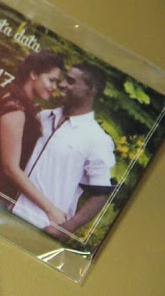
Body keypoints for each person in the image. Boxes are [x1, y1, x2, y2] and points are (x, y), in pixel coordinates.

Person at [12, 62, 116, 240]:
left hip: (40, 226)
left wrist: (67, 228)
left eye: (70, 81)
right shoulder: (43, 117)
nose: (61, 84)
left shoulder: (97, 139)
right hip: (5, 208)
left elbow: (101, 192)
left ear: (91, 89)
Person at [0, 51, 66, 226]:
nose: (54, 87)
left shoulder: (20, 103)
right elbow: (11, 168)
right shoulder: (15, 108)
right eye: (51, 80)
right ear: (34, 74)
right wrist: (50, 209)